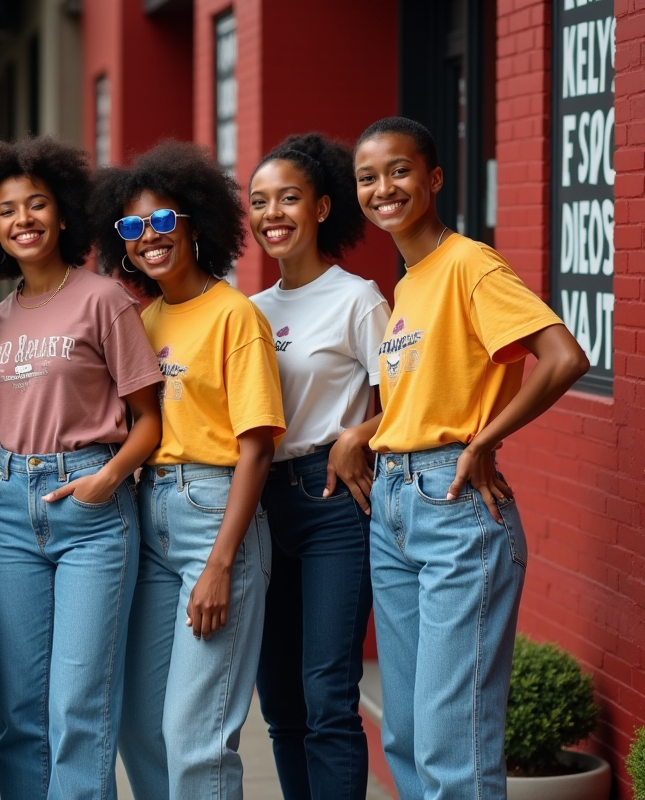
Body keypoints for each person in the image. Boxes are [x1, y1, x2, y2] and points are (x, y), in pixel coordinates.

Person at [351, 116, 589, 799]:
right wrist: (361, 435)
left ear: (433, 177)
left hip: (453, 510)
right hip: (394, 508)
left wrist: (485, 438)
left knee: (453, 739)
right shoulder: (409, 284)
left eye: (398, 171)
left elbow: (563, 357)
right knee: (406, 733)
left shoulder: (469, 263)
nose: (383, 188)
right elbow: (425, 400)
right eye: (368, 177)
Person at [0, 137, 162, 800]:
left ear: (64, 213)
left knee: (79, 705)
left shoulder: (106, 300)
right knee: (18, 712)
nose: (23, 219)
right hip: (11, 510)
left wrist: (107, 478)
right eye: (7, 210)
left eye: (36, 204)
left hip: (93, 510)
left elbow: (149, 421)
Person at [89, 139, 284, 800]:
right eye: (133, 227)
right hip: (150, 520)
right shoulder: (141, 318)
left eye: (164, 221)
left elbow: (257, 448)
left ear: (195, 224)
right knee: (139, 726)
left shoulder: (237, 316)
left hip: (213, 515)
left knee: (197, 735)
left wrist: (222, 565)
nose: (150, 237)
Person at [247, 132, 390, 800]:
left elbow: (409, 402)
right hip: (261, 506)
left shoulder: (357, 299)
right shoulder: (250, 313)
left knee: (328, 693)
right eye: (260, 201)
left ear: (324, 208)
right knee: (278, 698)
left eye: (289, 199)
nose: (273, 213)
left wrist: (359, 431)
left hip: (333, 504)